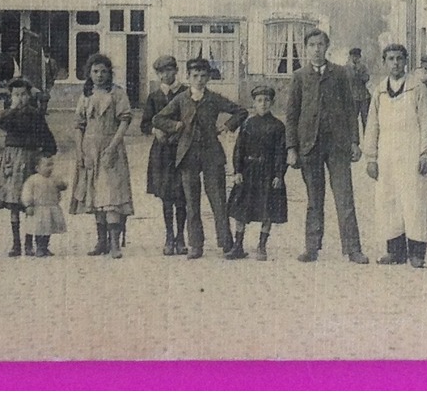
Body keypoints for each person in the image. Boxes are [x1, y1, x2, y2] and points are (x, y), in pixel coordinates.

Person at [282, 29, 369, 264]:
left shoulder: (340, 74)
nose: (317, 49)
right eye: (312, 45)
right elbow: (291, 114)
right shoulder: (299, 76)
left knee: (344, 197)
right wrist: (291, 147)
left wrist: (354, 142)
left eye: (321, 44)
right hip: (309, 145)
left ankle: (353, 249)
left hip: (337, 145)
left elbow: (351, 110)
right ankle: (312, 247)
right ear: (306, 48)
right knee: (314, 199)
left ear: (327, 47)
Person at [152, 57, 247, 260]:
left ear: (209, 77)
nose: (200, 80)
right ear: (188, 77)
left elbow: (241, 111)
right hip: (187, 156)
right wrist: (175, 126)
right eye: (195, 76)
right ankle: (196, 244)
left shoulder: (213, 98)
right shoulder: (181, 99)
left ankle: (226, 243)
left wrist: (226, 126)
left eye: (204, 76)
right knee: (191, 201)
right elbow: (157, 119)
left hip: (212, 154)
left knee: (218, 200)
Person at [363, 44, 427, 268]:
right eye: (390, 59)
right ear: (384, 62)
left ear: (405, 61)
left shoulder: (418, 89)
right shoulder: (379, 90)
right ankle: (395, 251)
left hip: (411, 153)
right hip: (387, 155)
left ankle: (417, 253)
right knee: (389, 200)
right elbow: (372, 125)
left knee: (415, 201)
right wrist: (371, 158)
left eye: (399, 58)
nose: (395, 63)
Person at [71, 54, 135, 259]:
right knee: (95, 194)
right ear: (89, 73)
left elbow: (124, 122)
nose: (99, 75)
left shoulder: (117, 94)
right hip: (90, 149)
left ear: (110, 73)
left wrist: (112, 146)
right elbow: (79, 126)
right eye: (95, 71)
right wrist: (80, 152)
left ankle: (115, 243)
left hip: (111, 149)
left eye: (104, 71)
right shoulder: (85, 96)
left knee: (111, 195)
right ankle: (102, 242)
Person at [0, 78, 58, 257]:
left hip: (31, 159)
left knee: (31, 202)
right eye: (16, 95)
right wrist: (12, 108)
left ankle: (30, 242)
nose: (20, 98)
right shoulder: (9, 115)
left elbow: (46, 134)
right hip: (13, 159)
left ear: (29, 95)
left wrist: (46, 151)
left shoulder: (35, 114)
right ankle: (16, 244)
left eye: (23, 94)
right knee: (14, 201)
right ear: (11, 97)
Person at [225, 85, 288, 261]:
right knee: (241, 209)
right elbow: (239, 149)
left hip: (268, 173)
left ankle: (261, 246)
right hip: (248, 171)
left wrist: (279, 175)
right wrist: (237, 171)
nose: (263, 104)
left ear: (272, 103)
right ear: (254, 103)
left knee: (267, 209)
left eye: (267, 100)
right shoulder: (247, 124)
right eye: (259, 101)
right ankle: (238, 245)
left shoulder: (278, 126)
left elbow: (280, 153)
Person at [139, 55, 189, 255]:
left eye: (169, 70)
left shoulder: (185, 93)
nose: (165, 75)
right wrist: (154, 130)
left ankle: (181, 237)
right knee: (167, 196)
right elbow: (144, 123)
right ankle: (169, 235)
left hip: (181, 150)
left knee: (182, 196)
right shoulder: (154, 96)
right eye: (161, 72)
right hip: (161, 151)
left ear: (176, 71)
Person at [20, 153, 67, 257]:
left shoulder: (54, 178)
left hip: (51, 207)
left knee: (48, 229)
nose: (50, 168)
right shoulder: (33, 180)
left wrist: (62, 185)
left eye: (51, 165)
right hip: (38, 208)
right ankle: (39, 248)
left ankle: (45, 247)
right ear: (37, 168)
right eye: (47, 165)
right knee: (39, 229)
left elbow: (62, 185)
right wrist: (28, 205)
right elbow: (27, 192)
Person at [346, 47, 373, 132]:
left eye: (357, 56)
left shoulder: (363, 67)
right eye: (354, 56)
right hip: (352, 97)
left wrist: (359, 72)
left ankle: (367, 137)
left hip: (364, 96)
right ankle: (354, 141)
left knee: (366, 119)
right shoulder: (346, 68)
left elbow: (366, 78)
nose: (355, 58)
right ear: (350, 57)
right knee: (353, 120)